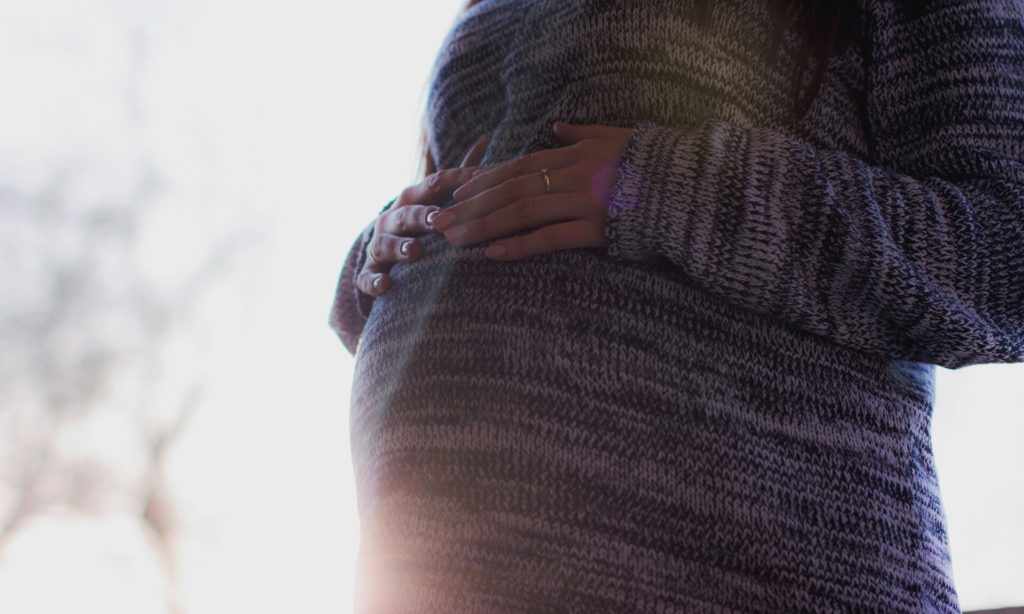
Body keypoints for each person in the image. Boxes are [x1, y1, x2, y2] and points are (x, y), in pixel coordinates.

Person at [330, 0, 1024, 611]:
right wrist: (383, 251)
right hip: (444, 553)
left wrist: (658, 186)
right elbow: (497, 184)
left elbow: (1004, 254)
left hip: (752, 557)